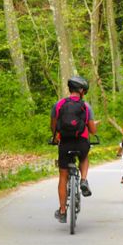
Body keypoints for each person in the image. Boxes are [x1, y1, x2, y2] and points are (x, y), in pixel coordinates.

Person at [50, 76, 97, 223]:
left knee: (63, 176)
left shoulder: (58, 105)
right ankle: (83, 180)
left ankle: (63, 210)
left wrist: (55, 136)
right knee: (84, 157)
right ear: (82, 91)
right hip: (81, 142)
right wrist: (93, 126)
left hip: (65, 143)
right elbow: (93, 130)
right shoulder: (86, 106)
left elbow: (53, 125)